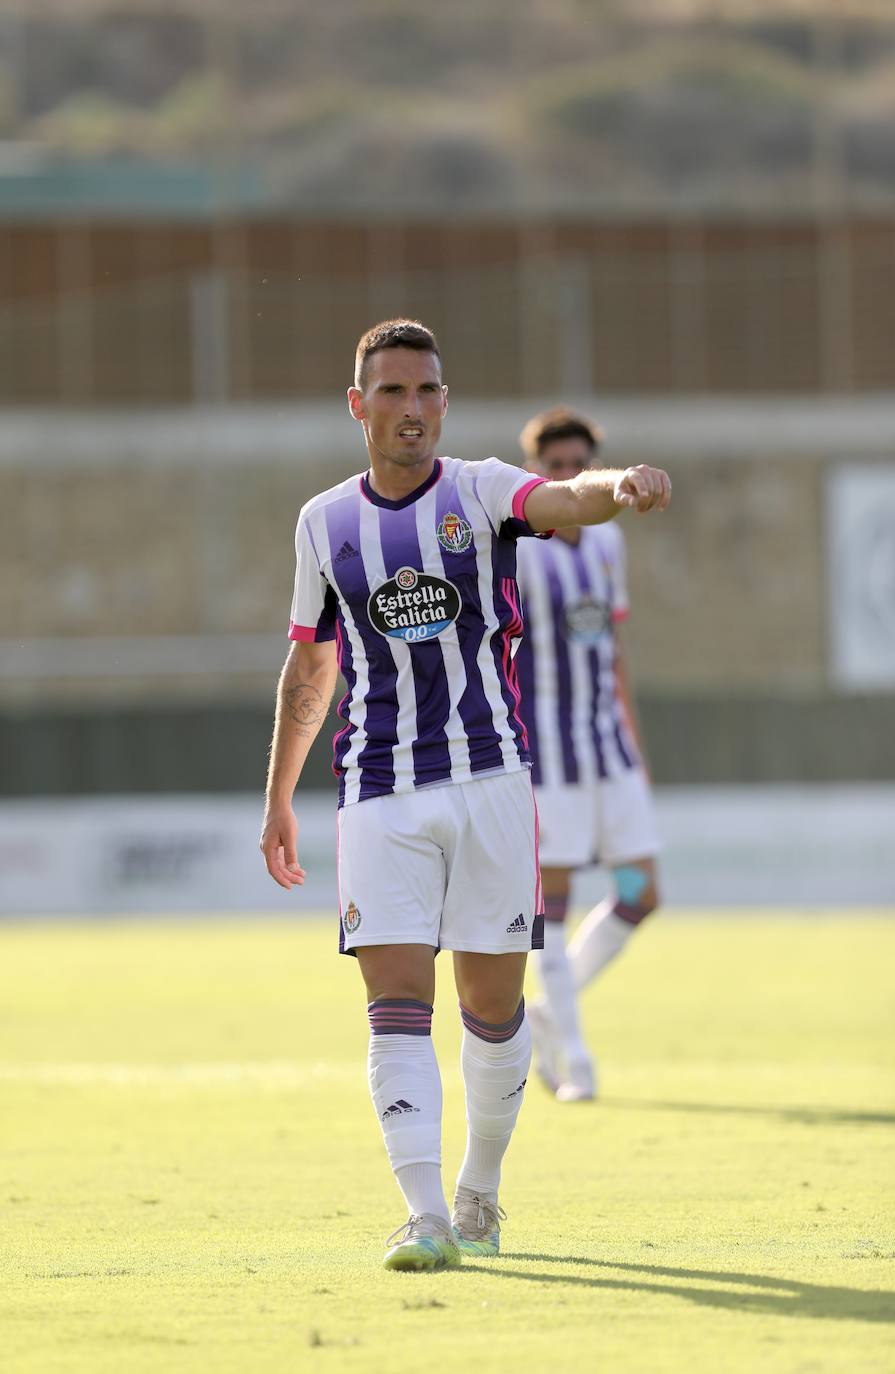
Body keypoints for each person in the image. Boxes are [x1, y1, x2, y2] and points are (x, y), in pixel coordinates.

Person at [260, 322, 671, 1272]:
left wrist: (619, 486)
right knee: (394, 1001)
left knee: (492, 1008)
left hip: (491, 782)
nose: (413, 409)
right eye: (394, 392)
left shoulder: (482, 489)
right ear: (357, 406)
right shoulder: (323, 523)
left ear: (444, 402)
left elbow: (564, 496)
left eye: (429, 392)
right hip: (377, 791)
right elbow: (308, 664)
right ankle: (423, 1212)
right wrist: (279, 794)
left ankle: (479, 1187)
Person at [514, 407, 663, 1103]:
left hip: (607, 748)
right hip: (548, 754)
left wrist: (632, 741)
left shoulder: (608, 546)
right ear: (538, 475)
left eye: (579, 465)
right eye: (555, 468)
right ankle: (573, 1058)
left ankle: (546, 1008)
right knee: (553, 907)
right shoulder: (517, 549)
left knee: (640, 894)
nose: (569, 477)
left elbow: (615, 649)